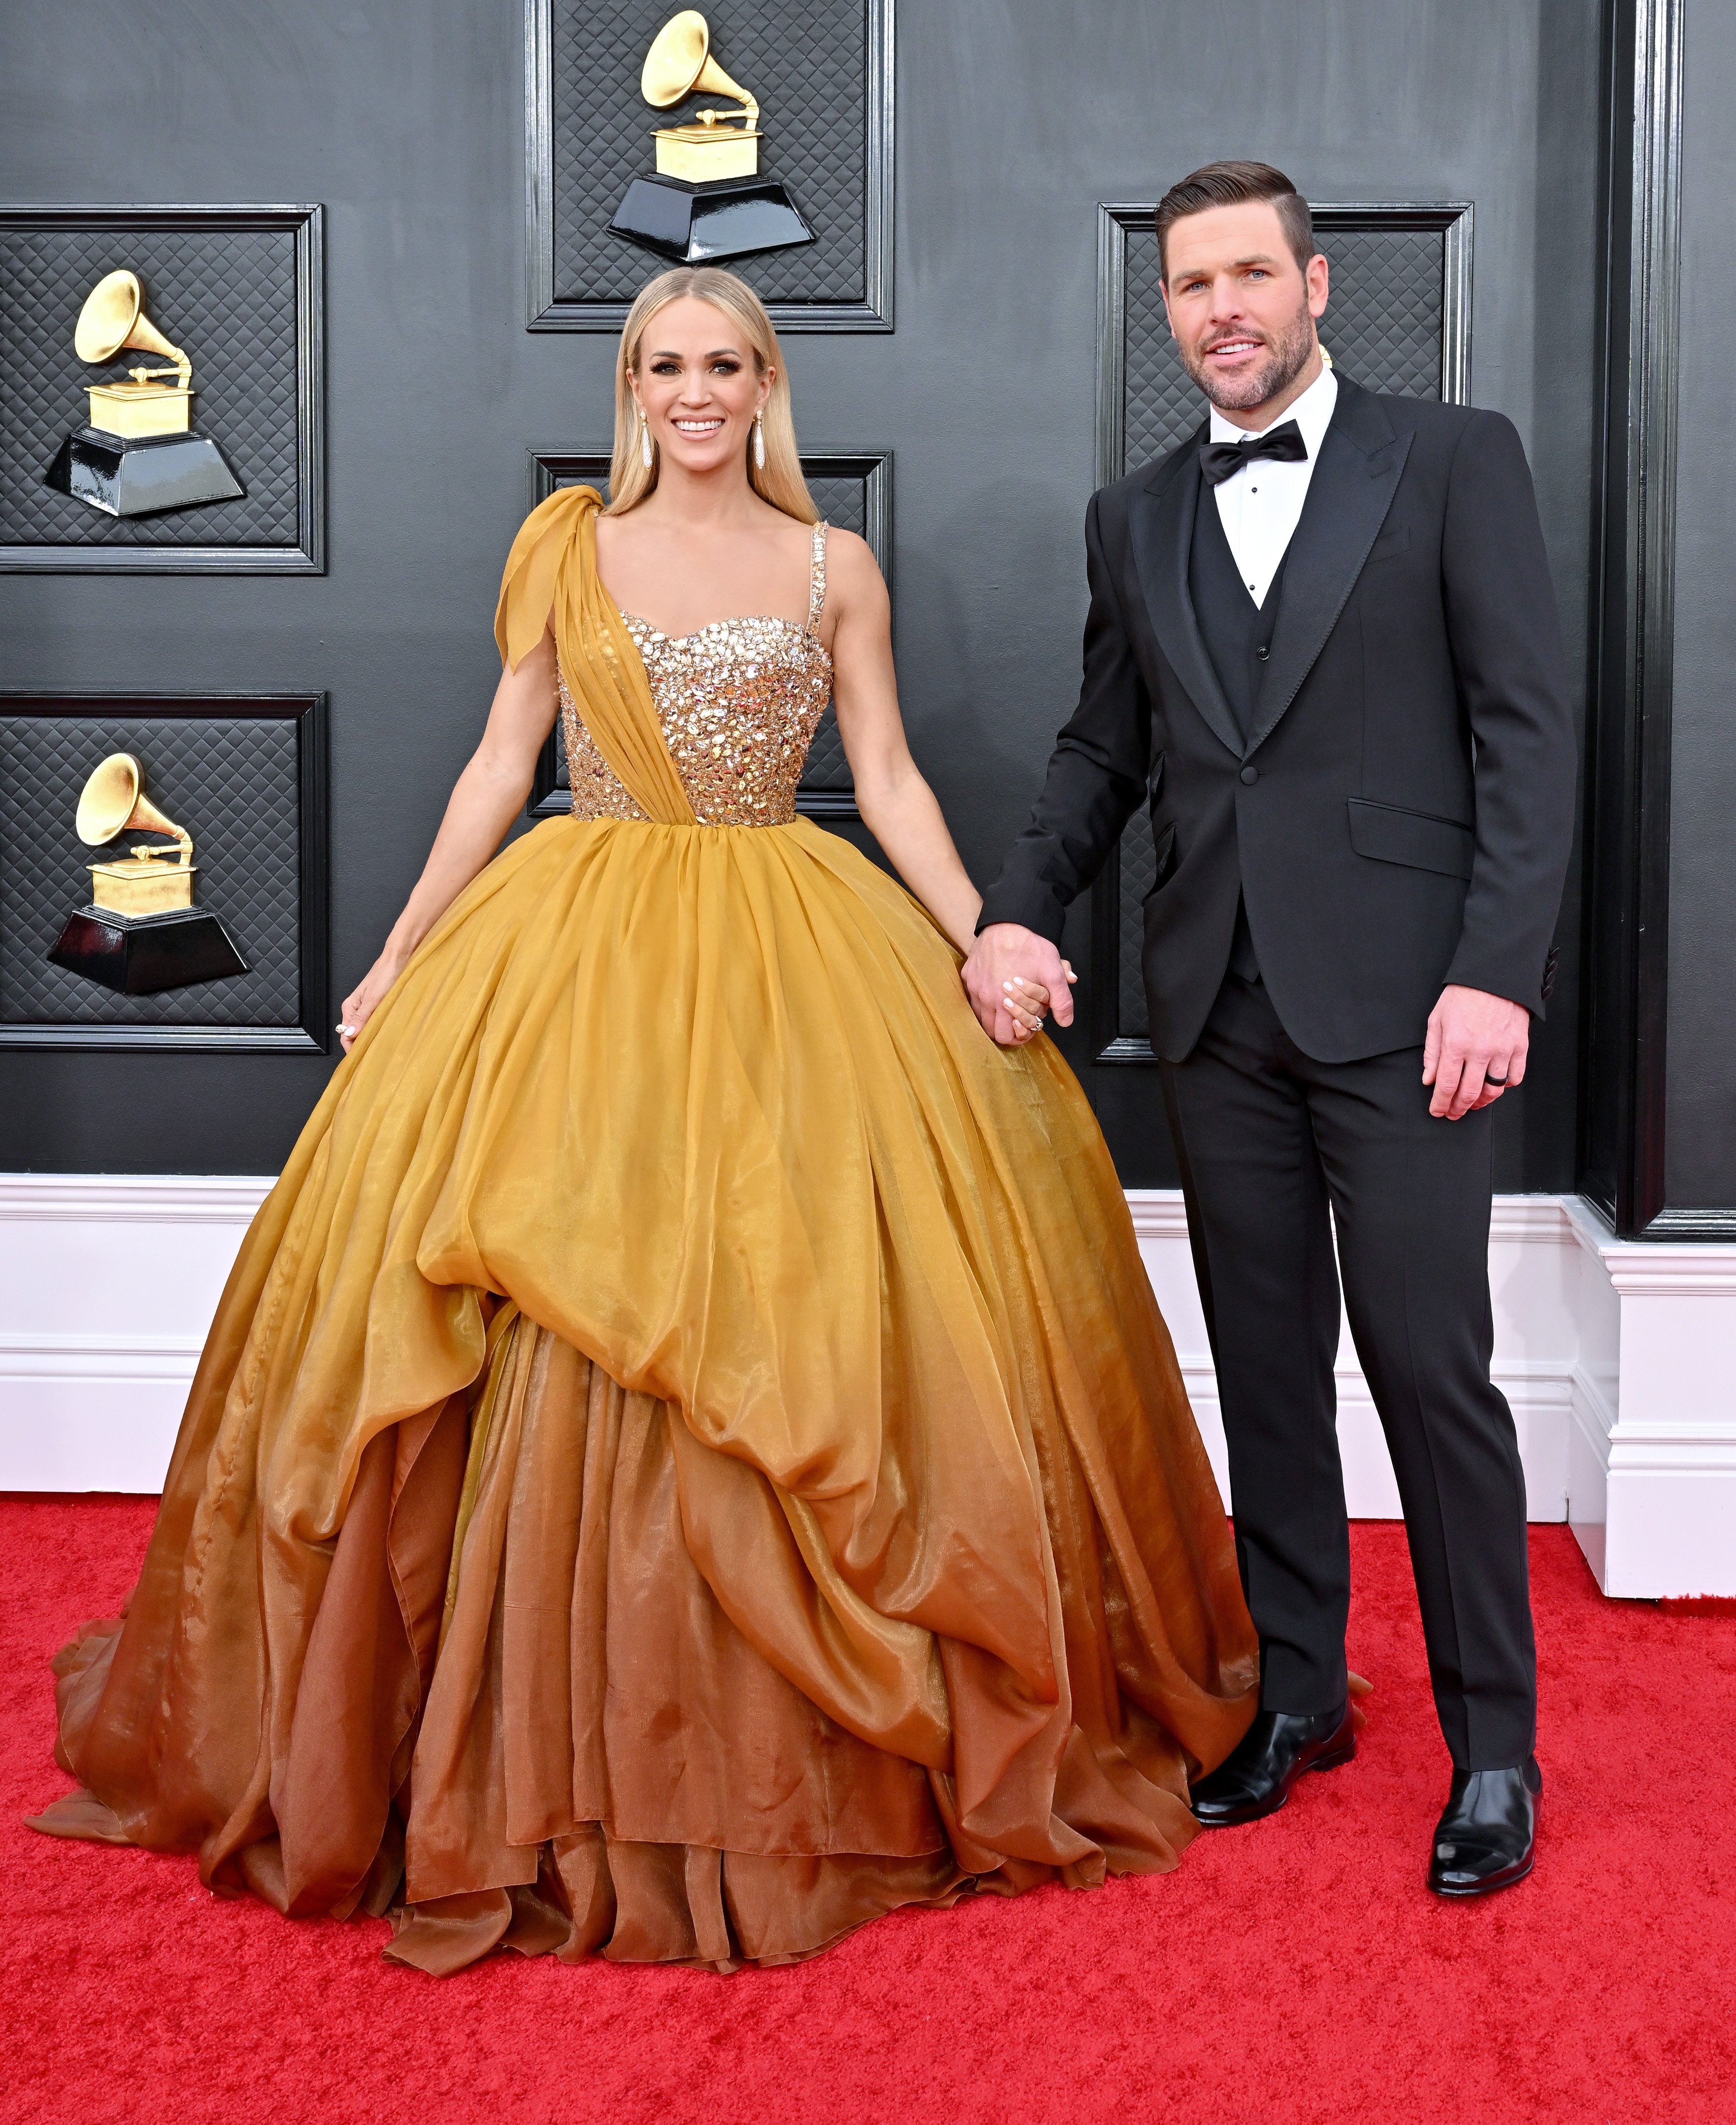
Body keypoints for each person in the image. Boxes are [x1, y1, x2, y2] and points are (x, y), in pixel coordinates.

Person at [32, 264, 1258, 1974]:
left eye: (724, 365)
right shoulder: (562, 548)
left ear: (765, 385)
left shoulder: (835, 565)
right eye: (665, 365)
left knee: (796, 1296)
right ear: (633, 386)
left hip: (786, 935)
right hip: (574, 939)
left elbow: (888, 772)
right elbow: (496, 761)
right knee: (535, 1279)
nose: (694, 392)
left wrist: (981, 930)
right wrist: (400, 950)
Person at [964, 162, 1577, 1898]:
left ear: (1314, 284)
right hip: (1212, 1004)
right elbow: (1105, 750)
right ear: (1164, 311)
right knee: (1264, 1372)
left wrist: (1496, 971)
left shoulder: (1453, 460)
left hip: (1410, 1007)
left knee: (1428, 1372)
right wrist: (1019, 905)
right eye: (1186, 285)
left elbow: (1525, 734)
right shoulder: (1134, 512)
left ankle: (1495, 1750)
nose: (1218, 308)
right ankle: (1300, 1691)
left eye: (1248, 274)